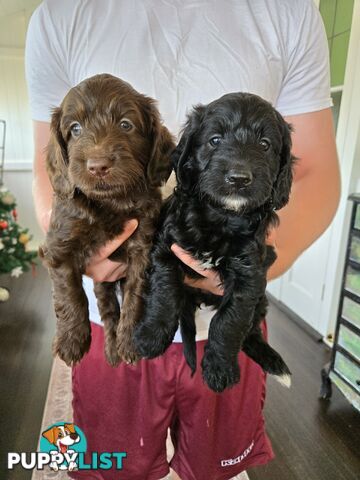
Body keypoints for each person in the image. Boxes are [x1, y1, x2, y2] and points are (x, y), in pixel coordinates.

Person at [25, 1, 340, 479]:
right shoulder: (60, 15)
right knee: (112, 469)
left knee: (215, 469)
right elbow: (50, 163)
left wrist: (247, 274)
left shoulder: (289, 11)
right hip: (111, 321)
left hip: (224, 320)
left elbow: (314, 170)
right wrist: (79, 251)